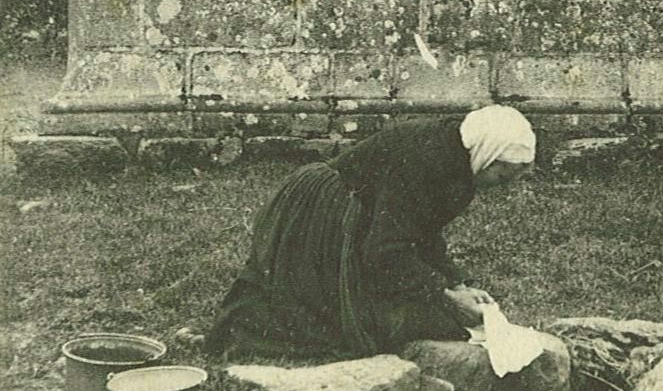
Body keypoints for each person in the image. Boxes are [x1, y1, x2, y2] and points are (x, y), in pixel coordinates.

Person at [206, 105, 536, 361]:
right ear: (486, 153)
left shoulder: (459, 162)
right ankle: (240, 325)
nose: (502, 187)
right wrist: (445, 295)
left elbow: (424, 230)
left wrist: (457, 283)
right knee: (344, 324)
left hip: (367, 217)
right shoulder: (424, 159)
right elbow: (385, 251)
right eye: (502, 176)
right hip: (322, 213)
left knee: (428, 318)